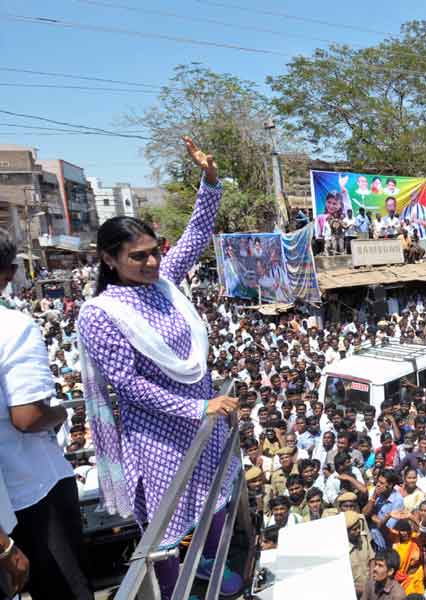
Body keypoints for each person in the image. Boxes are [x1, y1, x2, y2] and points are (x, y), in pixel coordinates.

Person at [76, 137, 242, 600]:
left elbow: (193, 236)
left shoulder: (165, 281)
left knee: (214, 502)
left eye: (153, 252)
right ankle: (176, 590)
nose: (151, 262)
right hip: (158, 436)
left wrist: (210, 182)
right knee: (167, 533)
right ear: (110, 259)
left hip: (203, 421)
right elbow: (128, 387)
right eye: (138, 256)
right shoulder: (100, 313)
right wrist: (198, 406)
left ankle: (207, 563)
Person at [0, 233, 92, 600]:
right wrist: (59, 413)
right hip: (32, 489)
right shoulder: (12, 327)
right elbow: (26, 416)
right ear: (7, 273)